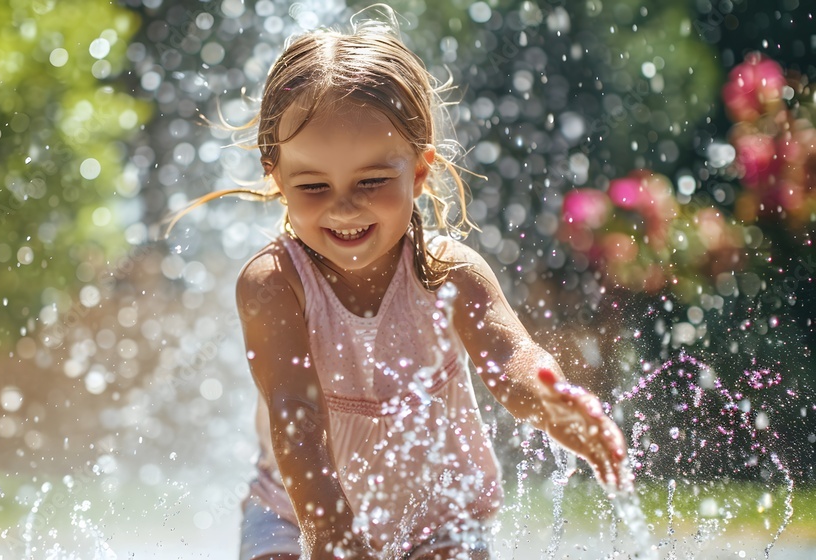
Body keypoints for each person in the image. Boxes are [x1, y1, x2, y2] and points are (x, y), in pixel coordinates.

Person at [172, 7, 628, 560]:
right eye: (314, 186)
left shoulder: (450, 273)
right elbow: (296, 417)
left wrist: (553, 404)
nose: (343, 207)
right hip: (296, 513)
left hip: (438, 514)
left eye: (371, 180)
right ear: (277, 176)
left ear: (418, 170)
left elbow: (511, 363)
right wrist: (332, 535)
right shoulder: (274, 285)